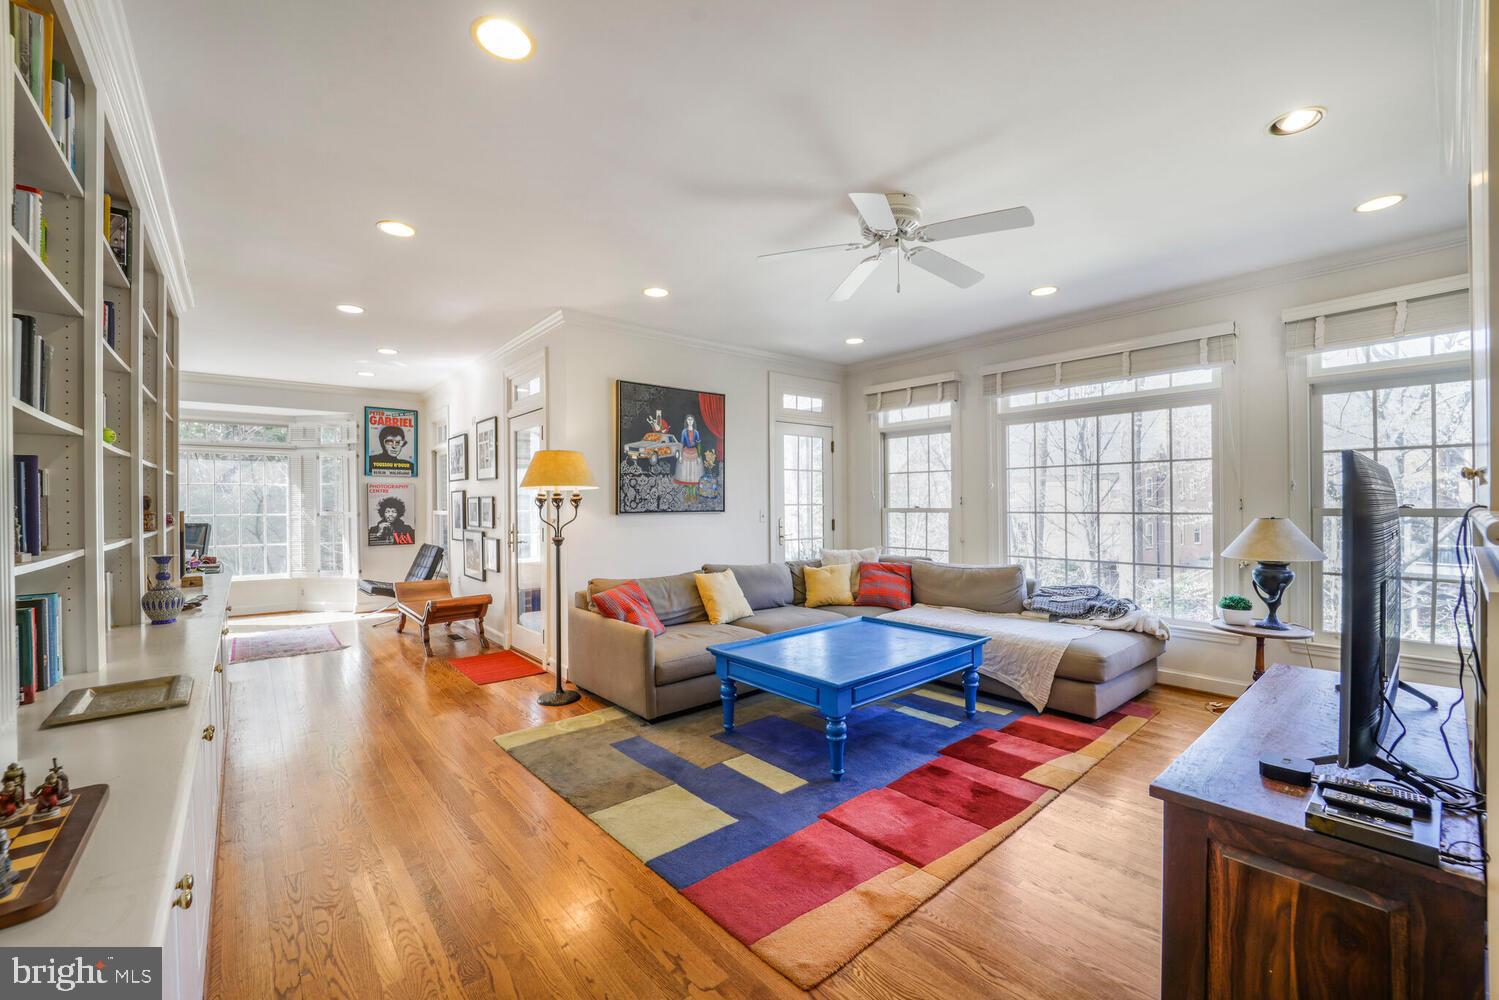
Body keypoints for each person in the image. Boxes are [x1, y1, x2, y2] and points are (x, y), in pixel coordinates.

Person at [674, 414, 704, 502]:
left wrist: (699, 456)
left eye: (691, 419)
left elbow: (698, 444)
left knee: (694, 475)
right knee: (686, 475)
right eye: (688, 419)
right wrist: (680, 455)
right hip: (686, 453)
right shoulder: (684, 432)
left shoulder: (696, 432)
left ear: (693, 421)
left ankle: (694, 495)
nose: (690, 421)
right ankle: (687, 495)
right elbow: (681, 444)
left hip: (694, 453)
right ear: (686, 421)